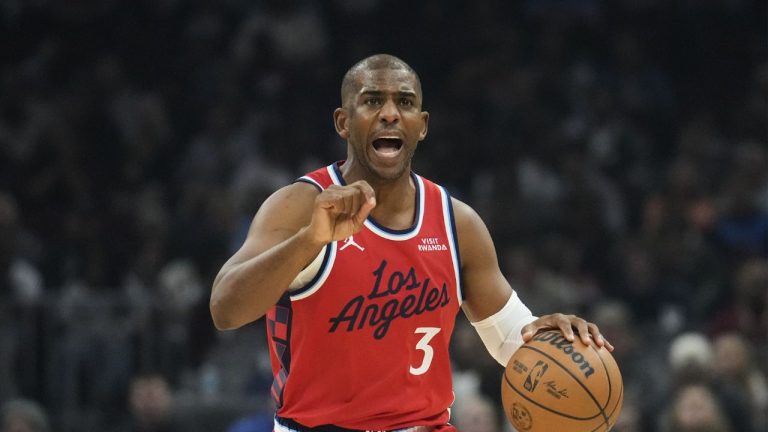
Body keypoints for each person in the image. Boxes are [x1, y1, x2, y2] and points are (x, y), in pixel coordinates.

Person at [210, 54, 613, 432]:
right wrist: (309, 240)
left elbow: (510, 339)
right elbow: (225, 310)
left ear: (421, 124)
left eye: (404, 102)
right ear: (343, 122)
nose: (389, 113)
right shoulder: (299, 205)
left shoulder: (457, 223)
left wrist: (549, 338)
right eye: (372, 101)